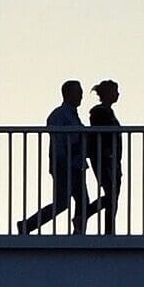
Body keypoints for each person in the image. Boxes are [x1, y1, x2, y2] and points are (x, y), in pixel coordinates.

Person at [18, 80, 90, 235]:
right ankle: (27, 225)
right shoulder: (58, 115)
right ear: (68, 93)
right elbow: (58, 141)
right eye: (78, 92)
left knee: (81, 200)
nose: (81, 96)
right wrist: (63, 160)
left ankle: (78, 230)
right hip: (64, 164)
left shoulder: (71, 115)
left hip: (75, 164)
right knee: (63, 203)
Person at [84, 79, 123, 234]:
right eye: (115, 91)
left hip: (113, 159)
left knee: (113, 195)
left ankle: (109, 229)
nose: (118, 94)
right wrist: (107, 154)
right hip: (105, 159)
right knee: (111, 195)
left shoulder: (107, 112)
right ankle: (87, 215)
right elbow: (101, 137)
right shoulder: (99, 112)